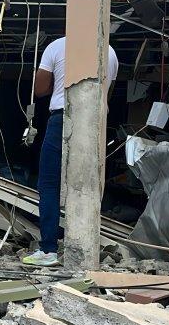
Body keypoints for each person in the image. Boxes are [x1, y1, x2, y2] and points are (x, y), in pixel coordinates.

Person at [21, 36, 119, 267]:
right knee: (87, 185)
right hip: (95, 120)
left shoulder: (56, 46)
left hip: (62, 119)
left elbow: (40, 89)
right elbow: (108, 93)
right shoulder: (110, 51)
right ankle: (83, 251)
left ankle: (48, 250)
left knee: (49, 184)